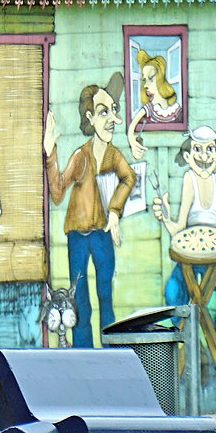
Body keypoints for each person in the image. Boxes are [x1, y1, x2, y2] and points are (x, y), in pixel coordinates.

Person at [45, 75, 135, 348]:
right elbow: (57, 193)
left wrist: (115, 211)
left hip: (102, 234)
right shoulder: (81, 156)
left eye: (113, 110)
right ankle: (83, 352)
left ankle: (111, 351)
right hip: (78, 237)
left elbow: (128, 178)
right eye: (103, 112)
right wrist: (50, 154)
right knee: (80, 299)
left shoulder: (114, 156)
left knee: (106, 296)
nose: (111, 118)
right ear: (90, 118)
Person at [152, 126, 216, 342]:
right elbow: (180, 227)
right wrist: (165, 218)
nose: (204, 156)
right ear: (188, 156)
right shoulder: (189, 179)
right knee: (174, 289)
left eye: (209, 149)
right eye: (197, 150)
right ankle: (183, 335)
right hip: (191, 256)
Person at [132, 47, 181, 126]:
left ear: (161, 80)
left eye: (151, 79)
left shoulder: (177, 110)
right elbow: (132, 126)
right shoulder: (149, 108)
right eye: (144, 80)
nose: (145, 85)